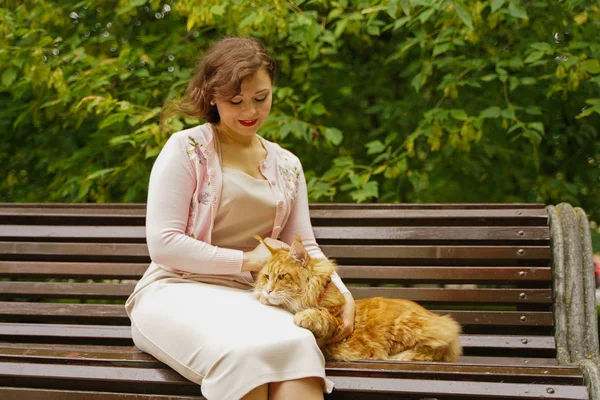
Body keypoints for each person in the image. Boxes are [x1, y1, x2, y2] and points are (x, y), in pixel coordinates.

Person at [124, 36, 356, 400]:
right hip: (174, 291)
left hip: (255, 298)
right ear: (212, 97)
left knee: (298, 346)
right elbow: (164, 244)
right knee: (245, 356)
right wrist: (248, 260)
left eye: (261, 98)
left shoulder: (287, 165)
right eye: (236, 101)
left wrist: (342, 294)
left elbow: (305, 245)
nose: (250, 110)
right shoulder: (187, 149)